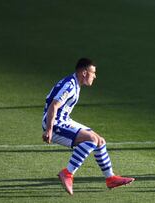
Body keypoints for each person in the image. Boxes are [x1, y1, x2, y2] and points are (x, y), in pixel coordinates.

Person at [42, 58, 134, 195]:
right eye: (93, 72)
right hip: (55, 123)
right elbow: (53, 106)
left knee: (100, 140)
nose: (95, 76)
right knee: (91, 139)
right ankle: (67, 173)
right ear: (84, 72)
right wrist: (49, 130)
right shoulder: (70, 85)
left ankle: (110, 178)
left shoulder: (74, 82)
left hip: (63, 120)